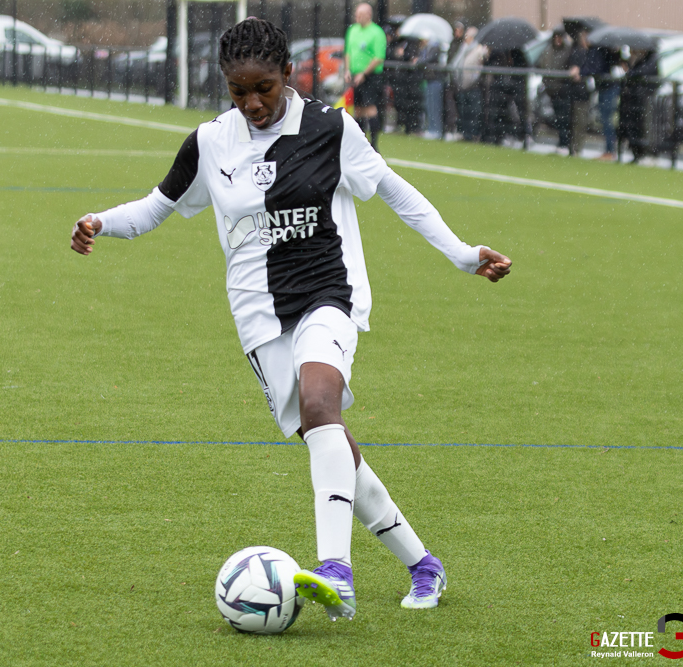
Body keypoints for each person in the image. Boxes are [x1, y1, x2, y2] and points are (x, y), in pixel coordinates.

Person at [70, 18, 512, 622]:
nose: (252, 103)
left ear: (288, 75)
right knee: (332, 446)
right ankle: (421, 563)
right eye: (238, 92)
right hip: (258, 316)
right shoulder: (210, 143)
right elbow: (156, 208)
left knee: (321, 403)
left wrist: (463, 254)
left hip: (330, 291)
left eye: (264, 89)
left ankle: (335, 570)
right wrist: (99, 220)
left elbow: (395, 192)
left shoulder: (331, 128)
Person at [345, 3, 388, 151]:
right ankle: (360, 143)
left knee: (370, 108)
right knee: (357, 109)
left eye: (360, 15)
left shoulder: (377, 33)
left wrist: (364, 73)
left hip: (371, 77)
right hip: (356, 76)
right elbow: (348, 52)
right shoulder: (353, 30)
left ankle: (374, 144)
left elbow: (378, 57)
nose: (357, 18)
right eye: (356, 15)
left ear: (368, 15)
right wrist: (347, 70)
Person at [618, 49, 659, 163]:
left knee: (643, 127)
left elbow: (640, 73)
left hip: (643, 99)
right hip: (634, 99)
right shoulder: (639, 61)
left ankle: (645, 152)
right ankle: (636, 152)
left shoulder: (651, 60)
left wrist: (630, 71)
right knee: (632, 127)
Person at [536, 27, 573, 155]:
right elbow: (541, 64)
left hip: (562, 89)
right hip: (551, 90)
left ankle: (565, 143)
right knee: (558, 118)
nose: (557, 40)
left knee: (564, 118)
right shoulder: (548, 51)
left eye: (560, 37)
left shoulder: (568, 51)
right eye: (556, 37)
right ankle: (562, 142)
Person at [451, 27, 488, 142]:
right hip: (461, 85)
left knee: (473, 111)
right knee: (463, 111)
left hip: (473, 86)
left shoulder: (478, 48)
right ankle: (465, 133)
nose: (466, 38)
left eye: (468, 36)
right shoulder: (463, 48)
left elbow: (482, 62)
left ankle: (473, 134)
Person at [566, 29, 592, 157]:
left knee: (581, 121)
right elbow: (574, 71)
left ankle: (577, 147)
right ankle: (574, 147)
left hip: (585, 93)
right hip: (577, 92)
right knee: (576, 121)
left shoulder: (590, 53)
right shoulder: (577, 52)